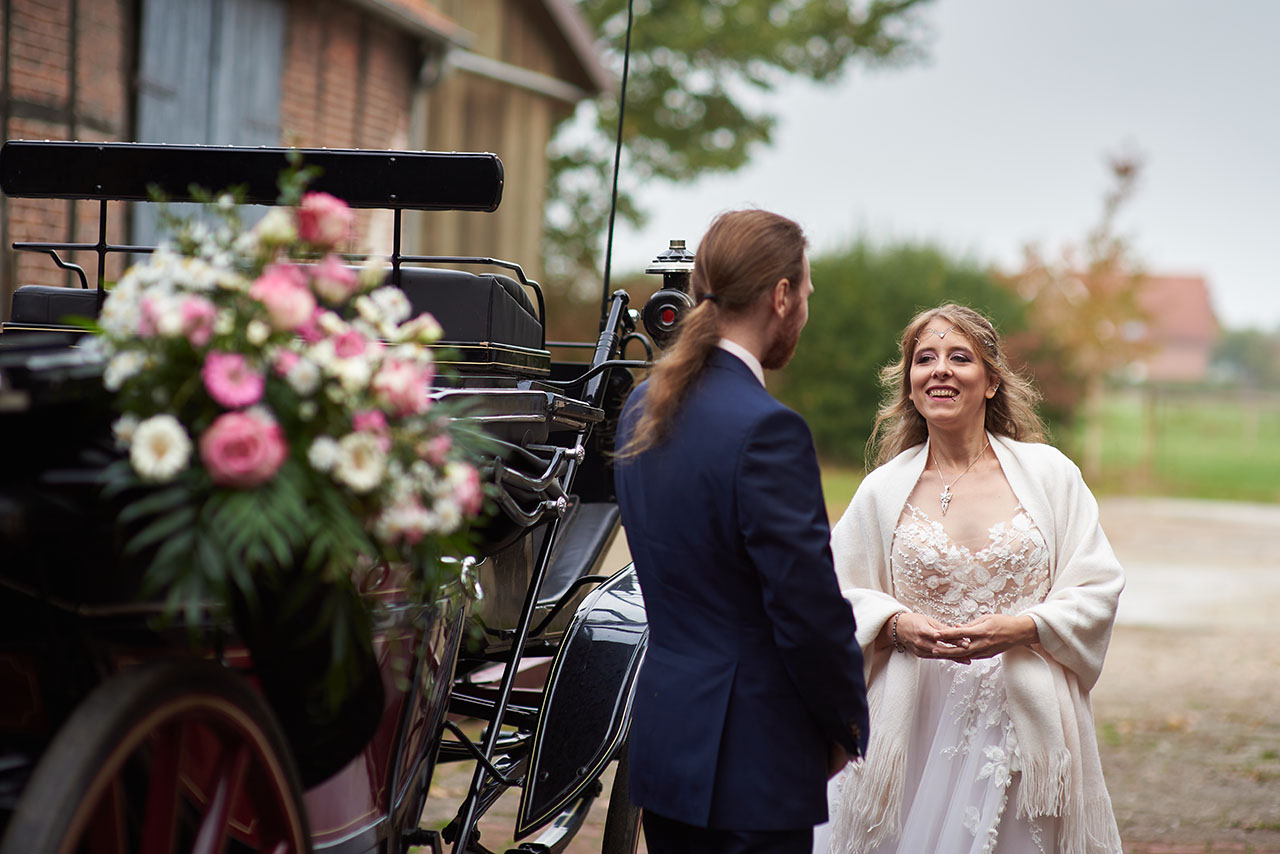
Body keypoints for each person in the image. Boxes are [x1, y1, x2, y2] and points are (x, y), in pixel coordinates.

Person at [817, 303, 1124, 854]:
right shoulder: (881, 492)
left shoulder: (1052, 477)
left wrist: (1028, 626)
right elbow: (832, 593)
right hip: (912, 723)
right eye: (924, 359)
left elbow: (1097, 586)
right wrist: (894, 624)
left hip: (1022, 721)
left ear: (990, 381)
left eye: (960, 358)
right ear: (909, 385)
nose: (940, 370)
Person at [614, 209, 870, 854]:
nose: (805, 310)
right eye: (806, 294)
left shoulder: (642, 407)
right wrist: (841, 722)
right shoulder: (767, 430)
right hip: (752, 763)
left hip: (668, 747)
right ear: (781, 297)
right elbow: (807, 608)